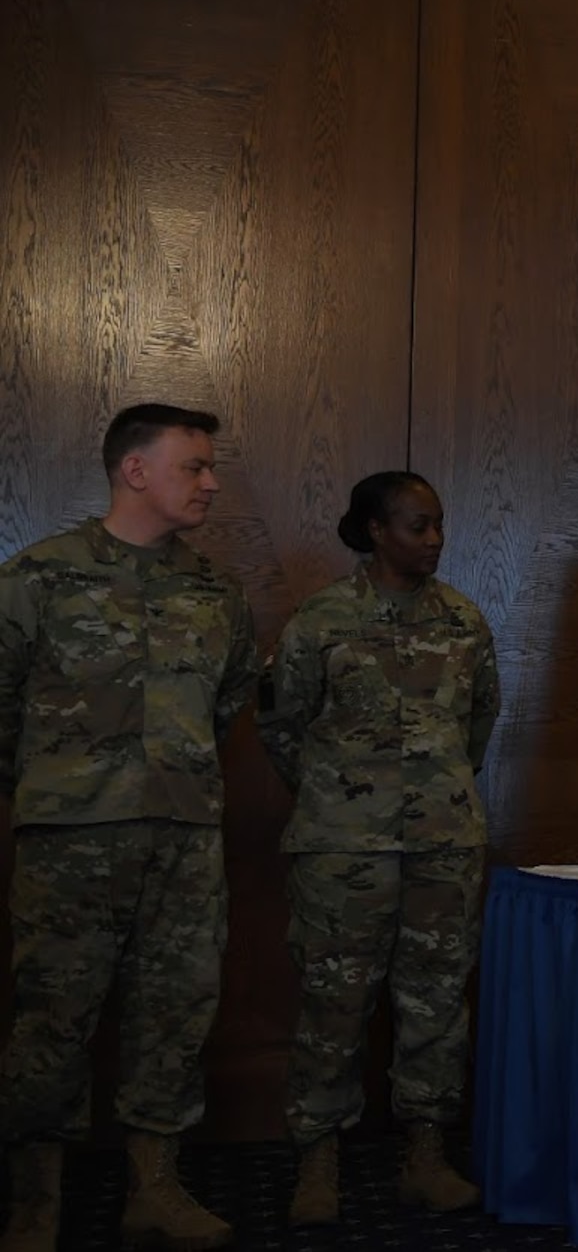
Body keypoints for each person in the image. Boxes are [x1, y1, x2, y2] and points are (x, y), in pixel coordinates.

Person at [0, 404, 258, 1252]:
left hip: (184, 840)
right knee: (52, 1020)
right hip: (71, 843)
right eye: (195, 466)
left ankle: (155, 1185)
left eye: (210, 466)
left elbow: (224, 708)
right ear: (135, 470)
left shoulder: (215, 593)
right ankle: (34, 1202)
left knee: (176, 1012)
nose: (212, 482)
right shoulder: (39, 577)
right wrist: (58, 789)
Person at [257, 471, 499, 1226]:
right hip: (341, 851)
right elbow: (282, 725)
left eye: (437, 526)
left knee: (435, 1002)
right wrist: (337, 797)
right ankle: (318, 1161)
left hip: (442, 845)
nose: (432, 541)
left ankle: (425, 1156)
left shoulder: (463, 620)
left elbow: (478, 726)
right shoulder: (321, 621)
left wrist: (433, 796)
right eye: (415, 526)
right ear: (372, 531)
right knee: (334, 1002)